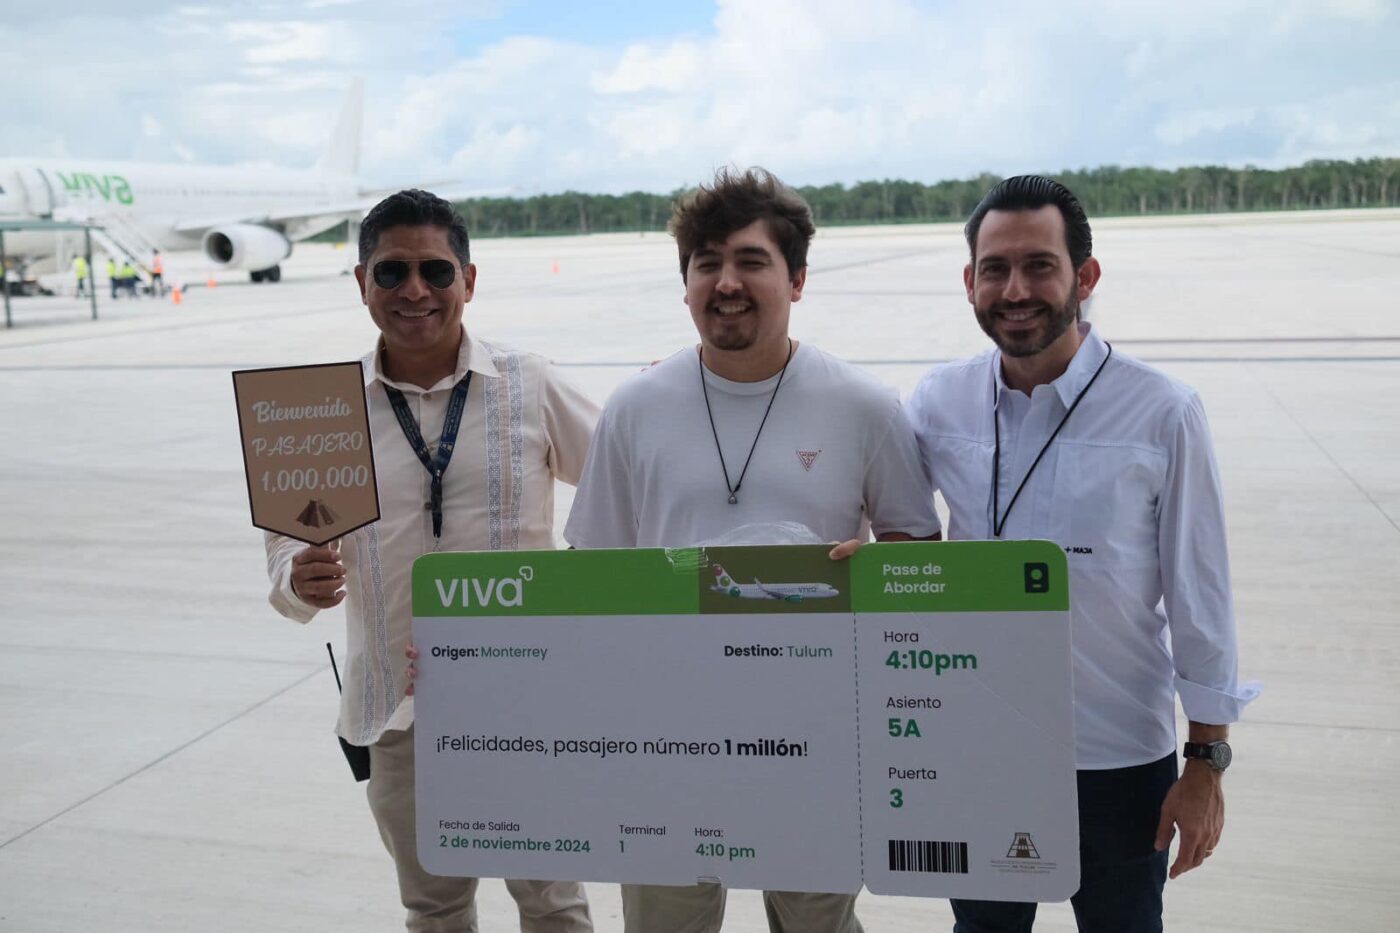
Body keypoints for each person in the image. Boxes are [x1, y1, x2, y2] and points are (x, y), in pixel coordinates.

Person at [564, 167, 942, 933]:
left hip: (820, 736)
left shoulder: (863, 405)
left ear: (797, 279)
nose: (726, 281)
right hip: (665, 737)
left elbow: (915, 565)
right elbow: (590, 577)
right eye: (707, 263)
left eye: (750, 260)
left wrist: (879, 580)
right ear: (686, 284)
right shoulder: (636, 408)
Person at [905, 175, 1260, 933]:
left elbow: (1204, 600)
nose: (1015, 288)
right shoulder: (938, 403)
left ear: (1084, 277)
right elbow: (886, 520)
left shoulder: (1162, 412)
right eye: (994, 268)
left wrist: (1206, 765)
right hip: (983, 751)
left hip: (1118, 761)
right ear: (969, 282)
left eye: (1039, 265)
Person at [262, 189, 597, 933]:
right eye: (391, 272)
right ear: (361, 283)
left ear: (469, 281)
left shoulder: (529, 383)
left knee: (555, 906)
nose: (415, 290)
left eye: (436, 271)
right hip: (395, 714)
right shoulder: (323, 411)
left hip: (526, 707)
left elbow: (627, 481)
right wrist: (299, 579)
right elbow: (285, 563)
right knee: (434, 910)